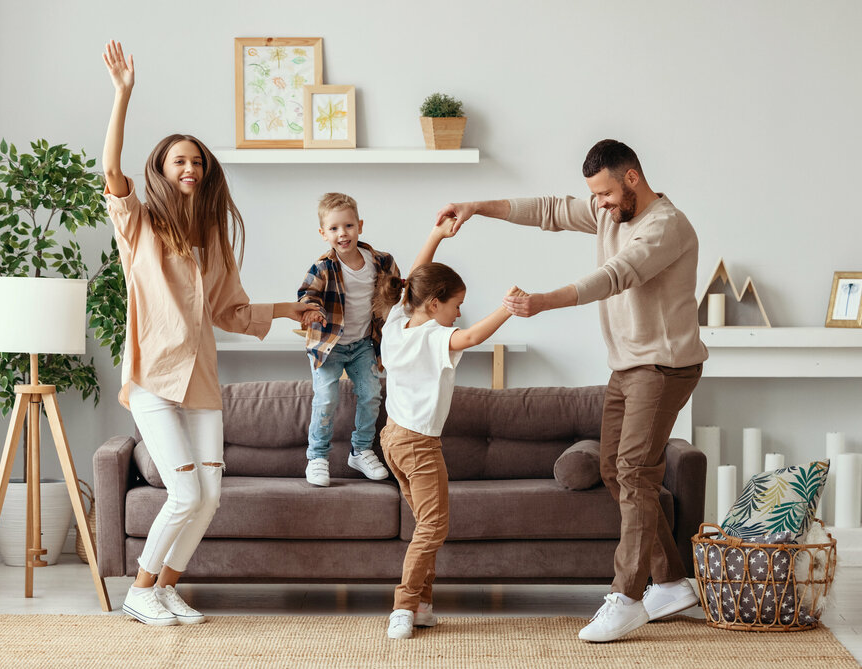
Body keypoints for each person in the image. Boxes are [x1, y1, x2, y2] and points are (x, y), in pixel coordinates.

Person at [437, 139, 708, 643]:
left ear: (631, 179)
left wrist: (542, 302)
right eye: (595, 196)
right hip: (628, 366)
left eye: (604, 193)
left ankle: (628, 596)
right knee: (613, 465)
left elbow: (615, 276)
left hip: (665, 366)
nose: (599, 205)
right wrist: (478, 207)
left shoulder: (666, 226)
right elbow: (549, 210)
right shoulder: (611, 212)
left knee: (634, 469)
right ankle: (671, 581)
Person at [101, 40, 317, 626]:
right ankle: (140, 589)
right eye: (180, 161)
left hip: (200, 381)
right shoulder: (138, 226)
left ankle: (166, 588)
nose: (191, 168)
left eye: (197, 161)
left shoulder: (214, 241)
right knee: (187, 494)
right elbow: (110, 172)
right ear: (163, 171)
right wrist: (123, 95)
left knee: (211, 497)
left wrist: (286, 311)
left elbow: (232, 312)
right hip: (152, 378)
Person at [373, 218, 516, 639]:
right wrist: (508, 308)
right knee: (434, 527)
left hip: (392, 440)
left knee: (424, 526)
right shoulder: (435, 336)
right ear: (434, 304)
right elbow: (470, 338)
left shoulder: (397, 324)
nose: (459, 312)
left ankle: (422, 603)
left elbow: (413, 279)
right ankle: (403, 605)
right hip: (418, 444)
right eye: (456, 304)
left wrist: (435, 236)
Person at [296, 192, 400, 487]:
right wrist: (312, 312)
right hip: (328, 347)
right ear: (323, 234)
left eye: (349, 226)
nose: (343, 233)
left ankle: (361, 450)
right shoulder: (322, 268)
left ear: (360, 226)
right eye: (334, 228)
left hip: (363, 346)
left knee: (371, 395)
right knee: (326, 399)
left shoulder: (381, 262)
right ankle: (317, 457)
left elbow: (396, 297)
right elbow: (307, 297)